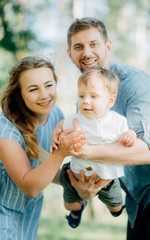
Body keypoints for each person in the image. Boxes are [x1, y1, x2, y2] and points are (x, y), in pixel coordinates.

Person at [53, 17, 150, 239]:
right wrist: (85, 191)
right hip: (135, 202)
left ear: (108, 46)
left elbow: (148, 151)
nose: (86, 52)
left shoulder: (136, 84)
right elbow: (97, 154)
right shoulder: (85, 101)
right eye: (78, 47)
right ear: (70, 54)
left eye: (94, 44)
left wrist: (88, 151)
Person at [0, 55, 86, 240]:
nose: (44, 95)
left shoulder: (55, 115)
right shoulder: (5, 127)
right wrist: (61, 153)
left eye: (49, 85)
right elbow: (29, 186)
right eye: (33, 89)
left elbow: (46, 170)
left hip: (29, 212)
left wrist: (76, 184)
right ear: (19, 94)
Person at [52, 66, 136, 228]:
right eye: (81, 95)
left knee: (116, 207)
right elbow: (62, 124)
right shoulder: (76, 119)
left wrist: (130, 134)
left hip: (106, 178)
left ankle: (117, 209)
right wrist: (56, 132)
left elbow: (128, 134)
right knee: (70, 205)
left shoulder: (118, 122)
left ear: (110, 101)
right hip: (75, 174)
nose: (85, 101)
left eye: (93, 96)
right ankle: (77, 210)